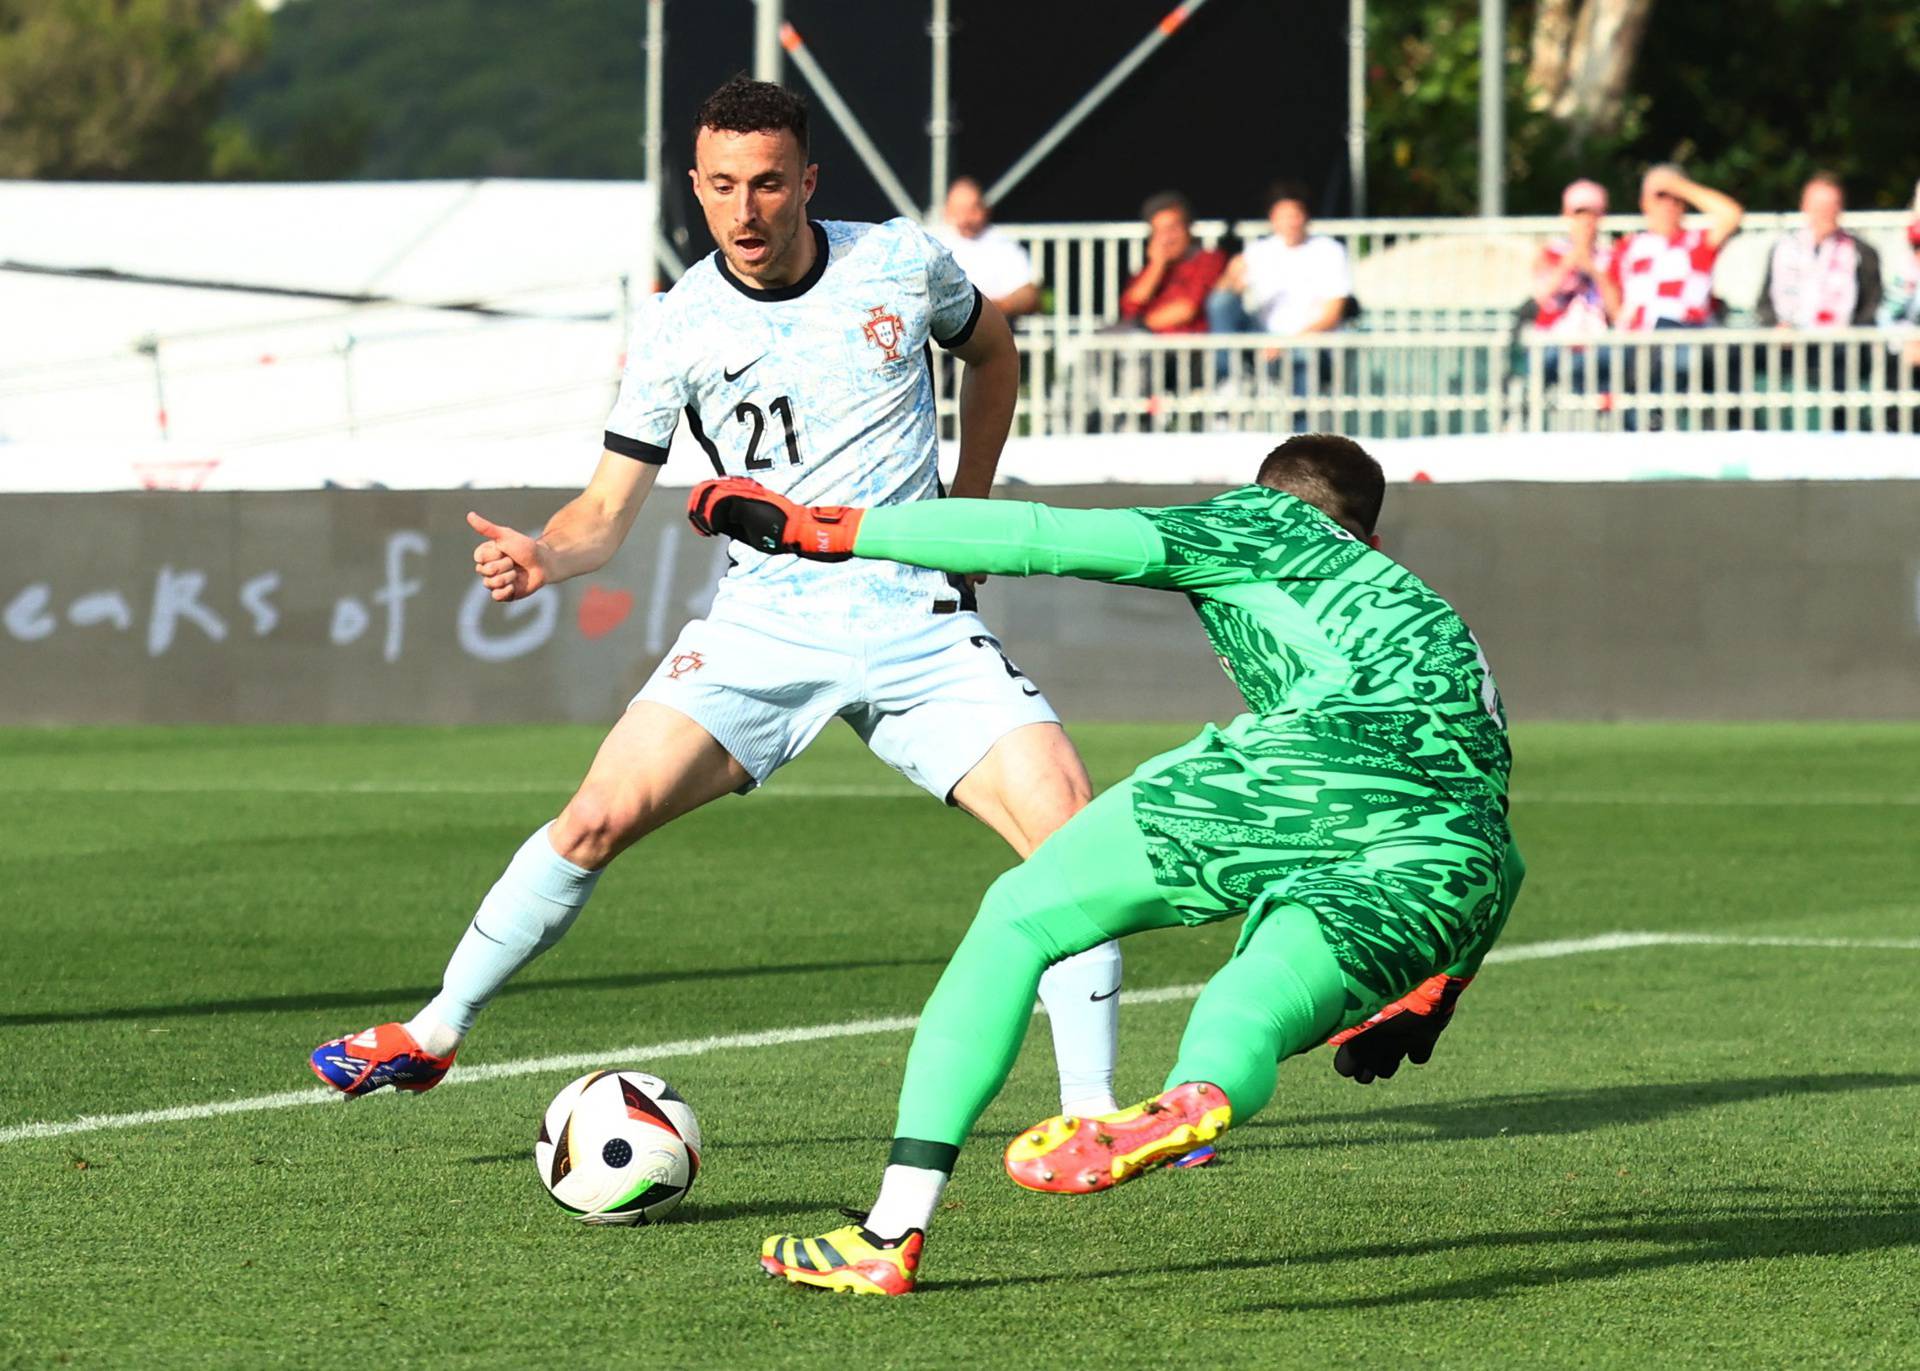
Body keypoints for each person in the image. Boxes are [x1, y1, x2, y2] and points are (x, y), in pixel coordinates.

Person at [306, 75, 1130, 1125]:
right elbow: (603, 513)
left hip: (915, 621)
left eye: (770, 184)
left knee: (1071, 835)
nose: (747, 210)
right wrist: (543, 557)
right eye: (724, 185)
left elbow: (995, 351)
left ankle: (1097, 1114)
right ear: (695, 186)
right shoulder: (675, 326)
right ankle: (433, 1032)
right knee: (595, 817)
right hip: (766, 628)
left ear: (807, 182)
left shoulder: (900, 262)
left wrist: (962, 517)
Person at [685, 433, 1525, 1295]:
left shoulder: (1256, 524)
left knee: (1020, 918)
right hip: (1457, 862)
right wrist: (1437, 988)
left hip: (1309, 773)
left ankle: (888, 1231)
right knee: (1257, 999)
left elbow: (1043, 537)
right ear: (1372, 541)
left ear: (1267, 494)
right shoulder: (1432, 613)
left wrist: (822, 530)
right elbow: (1503, 844)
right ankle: (1197, 1095)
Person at [1206, 179, 1352, 381]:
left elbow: (1332, 314)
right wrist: (1230, 276)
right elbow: (1222, 304)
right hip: (1264, 338)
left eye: (1295, 215)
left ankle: (1301, 412)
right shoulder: (1259, 251)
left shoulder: (1329, 251)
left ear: (1306, 216)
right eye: (1283, 216)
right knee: (1221, 302)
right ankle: (1226, 379)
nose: (1290, 223)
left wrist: (1287, 343)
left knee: (1303, 356)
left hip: (1309, 343)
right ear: (1272, 218)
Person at [1755, 172, 1882, 330]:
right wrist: (1775, 326)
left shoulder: (1861, 253)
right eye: (1819, 206)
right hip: (1789, 344)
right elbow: (1765, 302)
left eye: (1831, 205)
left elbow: (1870, 306)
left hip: (1843, 346)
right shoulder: (1783, 249)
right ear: (1804, 206)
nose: (1825, 213)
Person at [1530, 178, 1621, 392]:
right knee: (1542, 360)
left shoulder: (1611, 256)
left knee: (1616, 362)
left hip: (1597, 341)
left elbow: (1617, 311)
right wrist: (1569, 263)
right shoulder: (1551, 252)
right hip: (1554, 339)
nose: (1585, 223)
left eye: (1592, 215)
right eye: (1579, 215)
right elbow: (1543, 297)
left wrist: (1593, 270)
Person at [1117, 190, 1226, 334]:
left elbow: (1187, 308)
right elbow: (1130, 307)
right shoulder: (1153, 268)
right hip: (1148, 342)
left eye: (1172, 228)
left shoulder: (1209, 259)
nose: (1167, 238)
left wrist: (1141, 324)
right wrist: (1157, 265)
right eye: (1160, 231)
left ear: (1188, 228)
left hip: (1186, 347)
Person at [933, 176, 1040, 319]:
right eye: (959, 210)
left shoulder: (1004, 245)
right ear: (946, 212)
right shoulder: (932, 243)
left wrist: (996, 306)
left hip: (992, 326)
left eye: (972, 209)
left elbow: (1029, 294)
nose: (966, 218)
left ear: (984, 209)